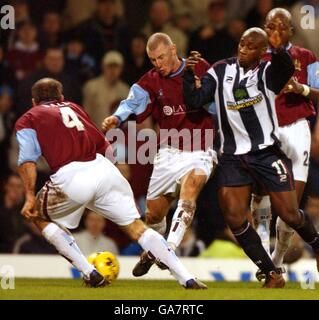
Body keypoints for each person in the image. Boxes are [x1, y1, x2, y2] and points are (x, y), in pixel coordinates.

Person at [14, 77, 206, 289]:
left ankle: (89, 272)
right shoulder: (74, 108)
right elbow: (104, 145)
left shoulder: (28, 118)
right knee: (137, 228)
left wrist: (30, 195)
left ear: (33, 101)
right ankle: (186, 277)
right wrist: (111, 174)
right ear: (61, 97)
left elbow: (27, 160)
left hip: (70, 174)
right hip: (104, 169)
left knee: (39, 216)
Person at [183, 27, 319, 288]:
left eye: (250, 47)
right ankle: (272, 273)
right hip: (233, 156)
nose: (243, 49)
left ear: (261, 52)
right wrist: (189, 75)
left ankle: (317, 244)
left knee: (289, 214)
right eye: (241, 45)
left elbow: (285, 70)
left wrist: (279, 49)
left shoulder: (268, 72)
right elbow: (195, 100)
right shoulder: (220, 70)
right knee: (234, 216)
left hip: (265, 153)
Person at [102, 33, 216, 277]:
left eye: (161, 57)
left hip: (200, 148)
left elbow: (218, 100)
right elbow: (131, 102)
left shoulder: (200, 68)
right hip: (168, 153)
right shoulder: (151, 81)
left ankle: (167, 249)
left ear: (174, 49)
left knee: (191, 188)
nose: (158, 64)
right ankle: (153, 251)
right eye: (153, 60)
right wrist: (117, 117)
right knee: (153, 215)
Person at [251, 8, 319, 281]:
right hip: (267, 130)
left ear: (292, 31)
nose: (275, 32)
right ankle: (264, 255)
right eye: (270, 27)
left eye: (281, 27)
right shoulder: (255, 57)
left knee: (289, 208)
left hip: (297, 130)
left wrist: (300, 89)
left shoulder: (307, 57)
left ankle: (275, 263)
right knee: (259, 194)